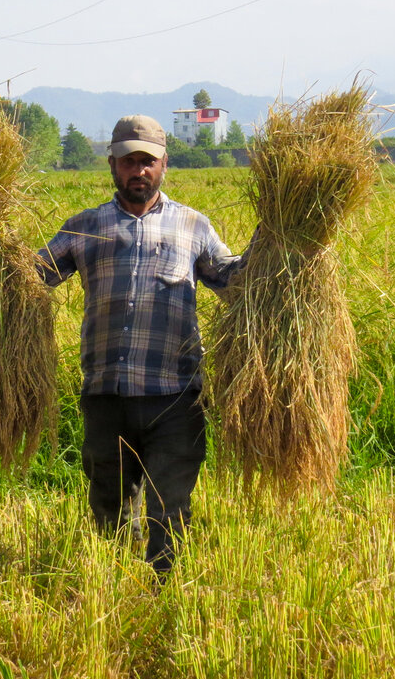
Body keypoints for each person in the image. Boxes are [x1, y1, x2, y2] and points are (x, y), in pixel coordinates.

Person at [36, 114, 248, 575]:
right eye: (128, 161)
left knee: (169, 509)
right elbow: (31, 279)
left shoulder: (193, 226)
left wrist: (278, 250)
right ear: (112, 165)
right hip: (106, 396)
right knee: (108, 507)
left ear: (164, 164)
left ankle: (163, 591)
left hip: (174, 397)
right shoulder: (84, 227)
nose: (139, 171)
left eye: (147, 161)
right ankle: (112, 588)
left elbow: (233, 280)